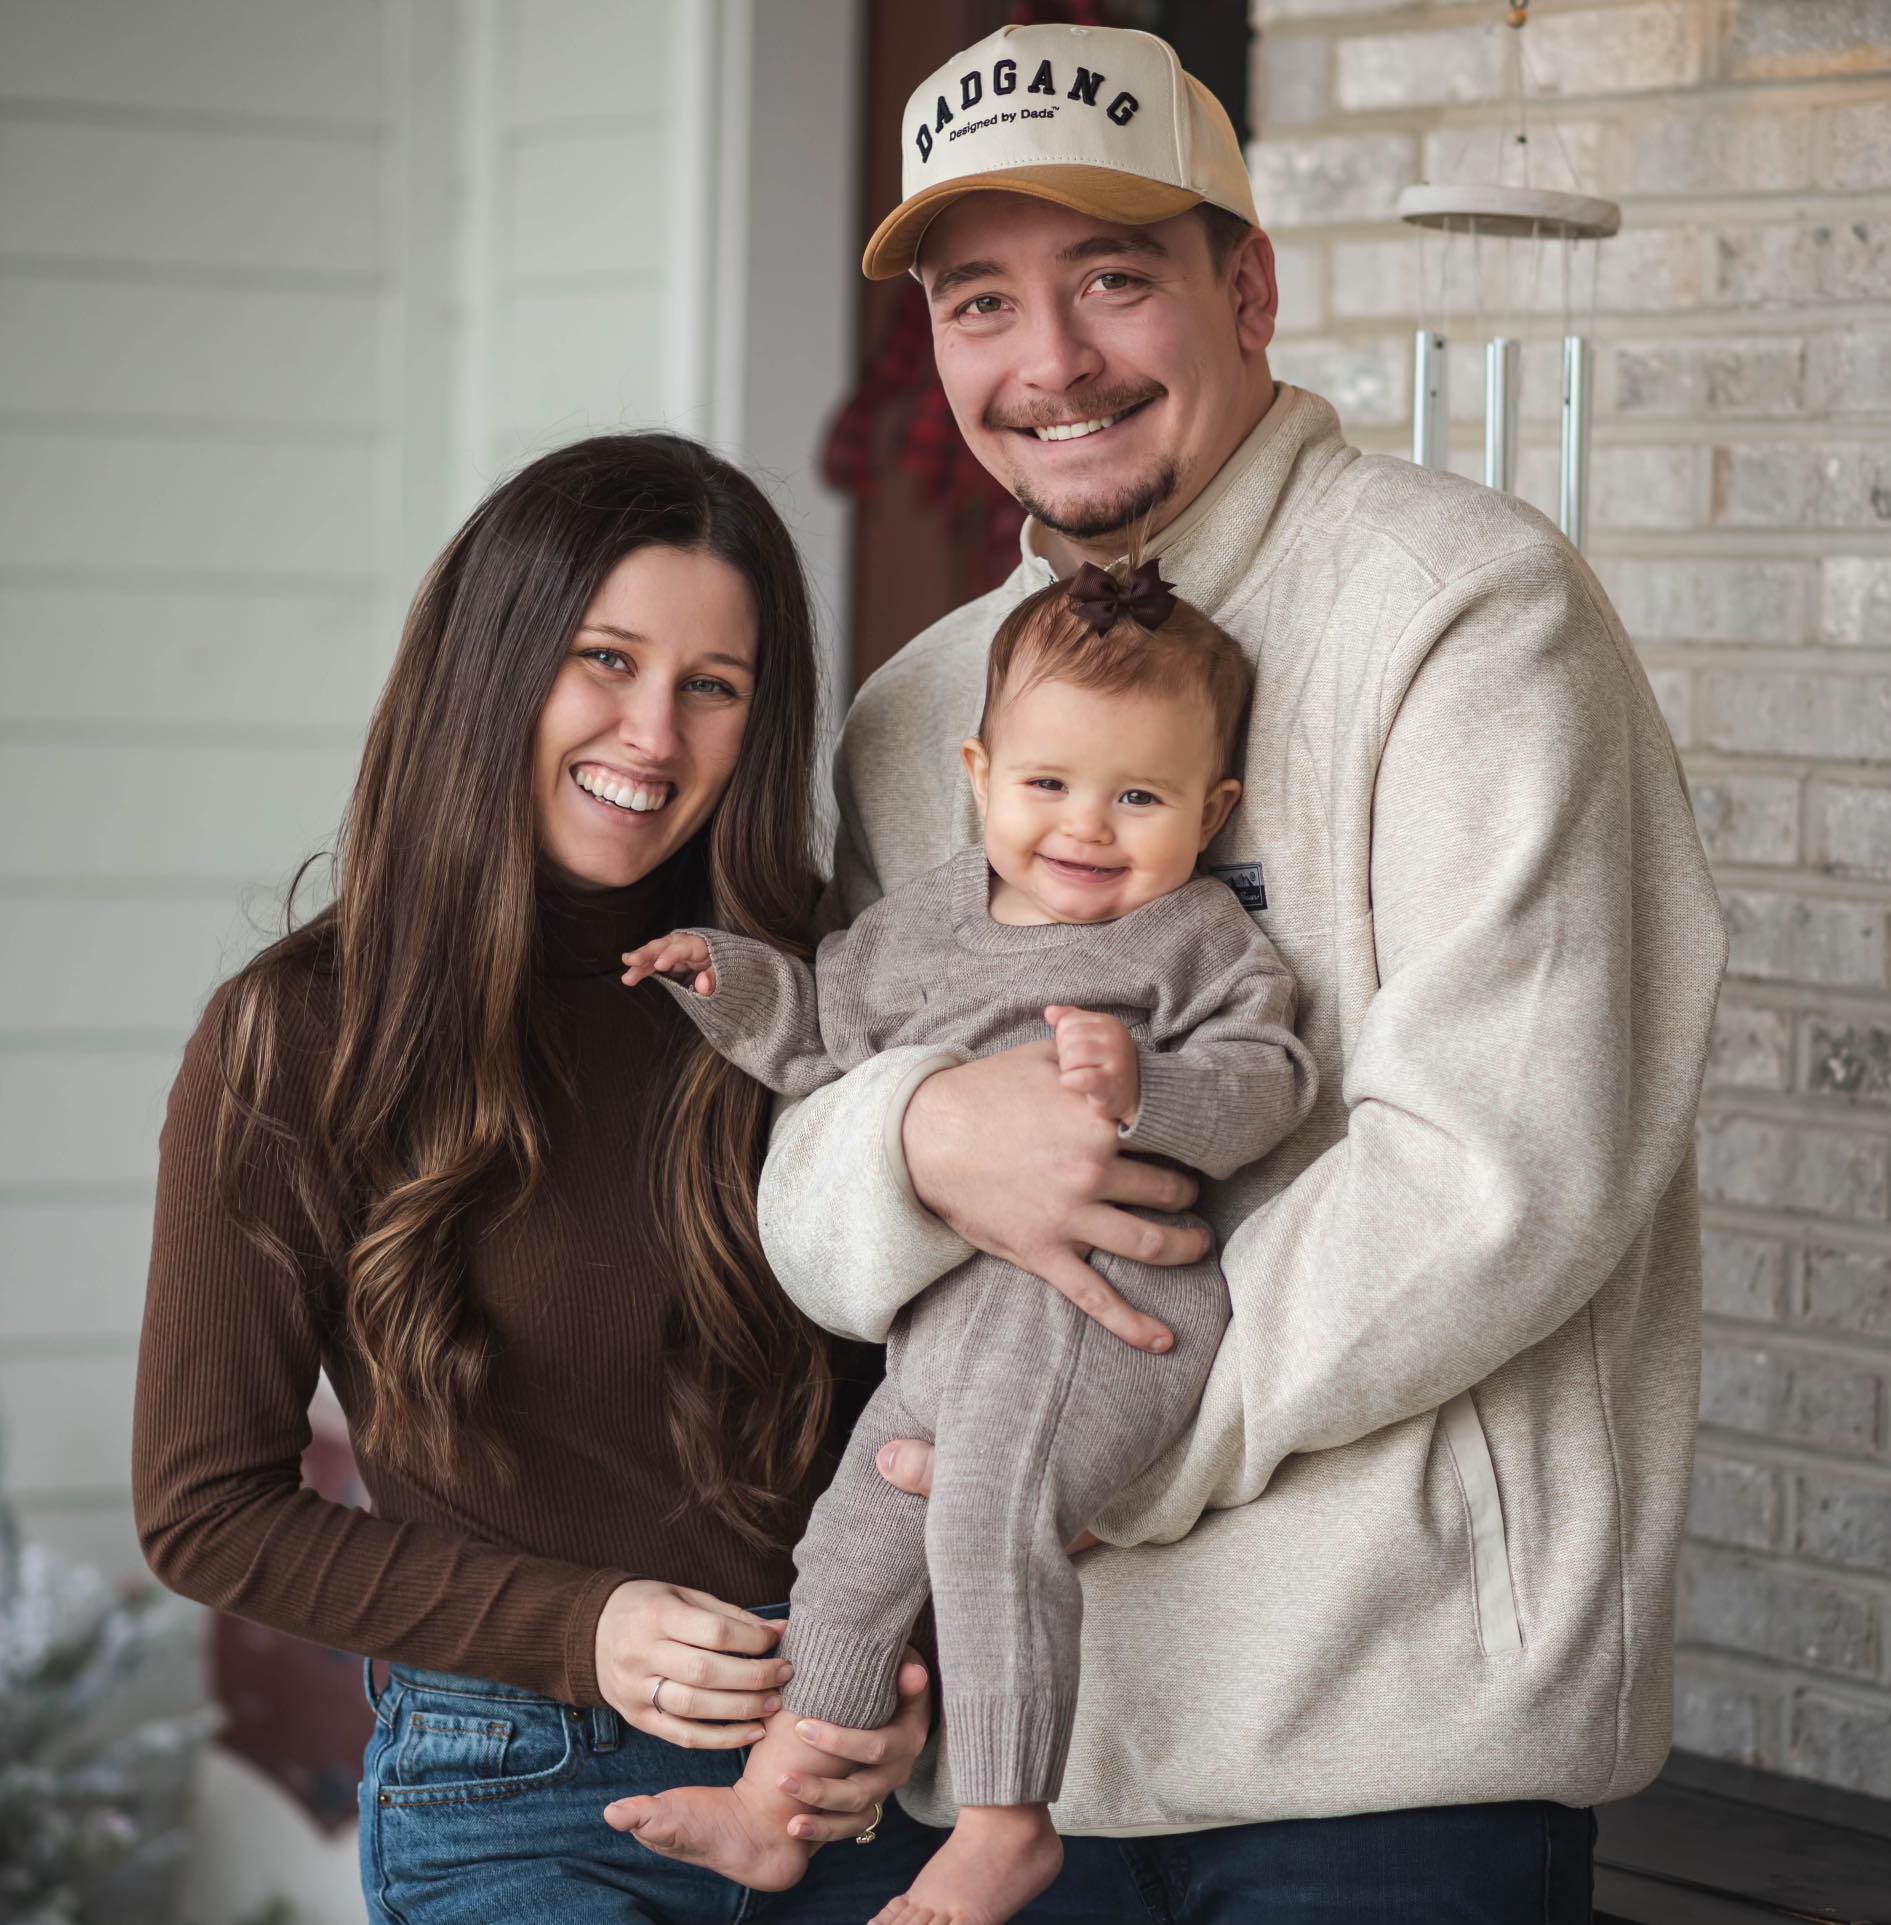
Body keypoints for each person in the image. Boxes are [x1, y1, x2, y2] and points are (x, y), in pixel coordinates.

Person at [752, 21, 1730, 1923]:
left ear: (1249, 285)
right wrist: (917, 1139)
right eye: (980, 304)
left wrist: (1048, 1450)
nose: (1049, 363)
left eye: (1114, 277)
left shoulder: (1465, 611)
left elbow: (1493, 1181)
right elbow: (813, 1158)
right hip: (1016, 1764)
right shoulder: (918, 716)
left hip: (1385, 1740)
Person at [132, 434, 946, 1923]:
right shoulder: (299, 1033)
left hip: (846, 1771)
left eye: (713, 685)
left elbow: (937, 1404)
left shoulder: (820, 1002)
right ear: (493, 665)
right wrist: (584, 1628)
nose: (653, 731)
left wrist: (905, 1694)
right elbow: (206, 1507)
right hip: (513, 1781)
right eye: (604, 660)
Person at [607, 561, 1316, 1925]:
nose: (1086, 829)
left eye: (1141, 798)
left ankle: (1003, 1816)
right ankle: (780, 1799)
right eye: (1047, 784)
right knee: (853, 1537)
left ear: (1211, 811)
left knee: (987, 1512)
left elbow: (1267, 1081)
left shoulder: (1195, 939)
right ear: (979, 771)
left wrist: (1145, 1089)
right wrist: (728, 979)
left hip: (1106, 1314)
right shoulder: (919, 926)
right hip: (945, 1326)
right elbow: (823, 1042)